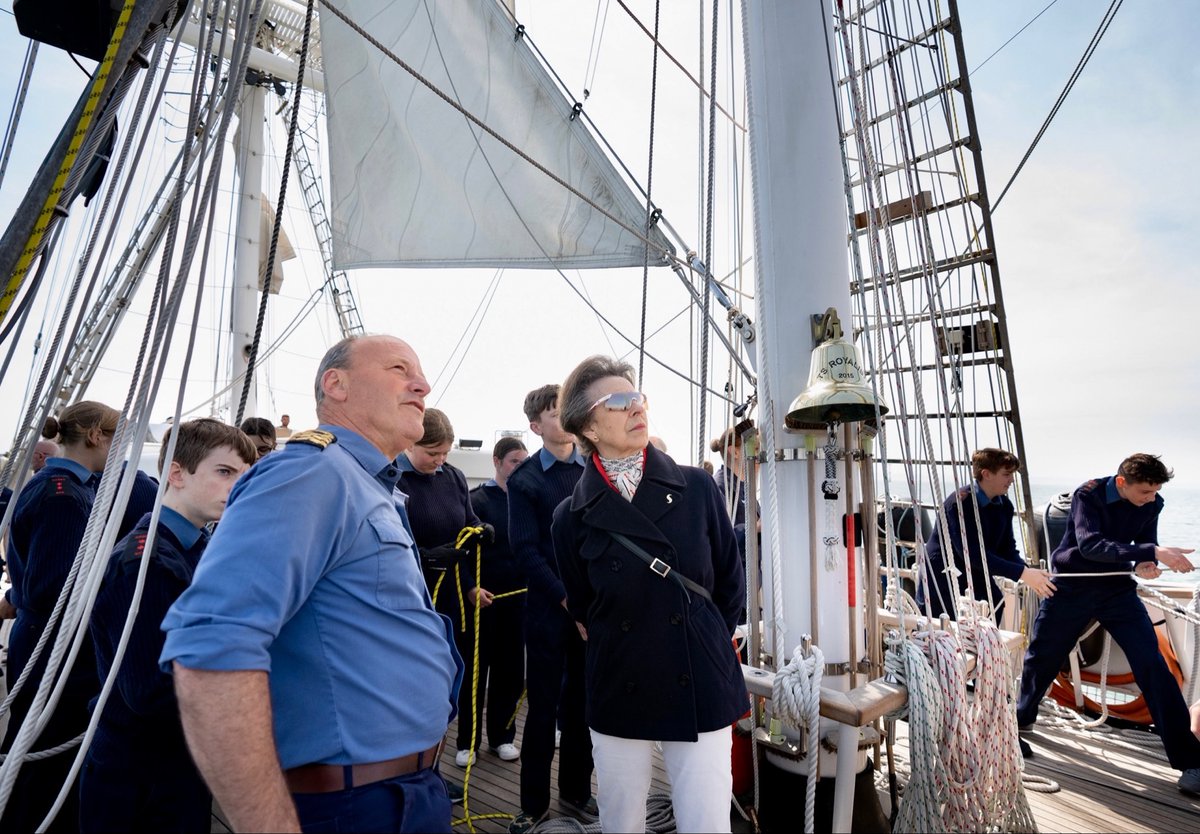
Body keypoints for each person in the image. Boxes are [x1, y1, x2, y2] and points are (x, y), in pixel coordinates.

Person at [160, 335, 463, 832]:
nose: (422, 385)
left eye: (420, 374)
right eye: (399, 369)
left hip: (404, 791)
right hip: (354, 807)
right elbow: (211, 645)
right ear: (336, 384)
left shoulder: (366, 485)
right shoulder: (311, 473)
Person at [553, 356, 747, 833]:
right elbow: (584, 604)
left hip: (697, 674)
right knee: (621, 819)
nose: (637, 407)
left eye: (638, 397)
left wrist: (702, 637)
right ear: (588, 427)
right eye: (619, 401)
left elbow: (729, 582)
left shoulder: (697, 487)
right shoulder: (569, 517)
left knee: (707, 820)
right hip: (620, 677)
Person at [80, 418, 255, 833]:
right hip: (140, 779)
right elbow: (150, 691)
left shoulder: (197, 549)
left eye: (245, 476)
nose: (239, 487)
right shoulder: (148, 564)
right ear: (176, 473)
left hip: (175, 764)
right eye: (225, 472)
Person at [1015, 453, 1200, 796]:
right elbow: (1090, 546)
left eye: (1155, 492)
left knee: (1152, 666)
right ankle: (1021, 719)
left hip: (1117, 591)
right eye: (1145, 491)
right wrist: (1153, 552)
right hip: (1071, 588)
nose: (1151, 499)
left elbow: (1143, 545)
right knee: (1043, 657)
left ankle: (1192, 761)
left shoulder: (1152, 503)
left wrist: (1146, 565)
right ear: (1122, 482)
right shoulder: (1088, 495)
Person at [1, 402, 123, 832]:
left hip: (41, 637)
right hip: (54, 644)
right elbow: (54, 587)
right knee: (46, 762)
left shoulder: (57, 486)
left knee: (37, 750)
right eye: (117, 438)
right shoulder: (64, 497)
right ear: (95, 436)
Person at [506, 384, 596, 833]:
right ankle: (533, 803)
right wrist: (567, 598)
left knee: (583, 704)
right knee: (542, 710)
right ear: (535, 425)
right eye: (554, 412)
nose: (564, 416)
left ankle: (577, 790)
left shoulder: (592, 470)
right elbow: (525, 551)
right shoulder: (525, 481)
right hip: (548, 613)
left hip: (588, 612)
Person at [396, 408, 490, 771]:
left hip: (455, 596)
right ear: (410, 445)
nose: (440, 461)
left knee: (462, 672)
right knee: (421, 682)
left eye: (445, 453)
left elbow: (468, 521)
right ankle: (416, 764)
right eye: (432, 453)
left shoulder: (453, 477)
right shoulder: (394, 481)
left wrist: (482, 529)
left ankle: (462, 744)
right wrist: (426, 556)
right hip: (415, 598)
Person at [916, 448, 1056, 622]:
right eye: (1006, 474)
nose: (1012, 480)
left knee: (995, 601)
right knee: (945, 621)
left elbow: (1007, 550)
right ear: (987, 474)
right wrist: (1022, 573)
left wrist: (1029, 573)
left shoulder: (1005, 506)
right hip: (943, 574)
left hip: (975, 571)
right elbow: (972, 554)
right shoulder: (960, 503)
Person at [465, 437, 530, 764]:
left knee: (511, 672)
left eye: (523, 462)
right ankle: (467, 742)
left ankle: (503, 737)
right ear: (497, 461)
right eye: (514, 461)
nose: (519, 467)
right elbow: (462, 553)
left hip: (518, 602)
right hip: (482, 603)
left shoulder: (527, 501)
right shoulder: (476, 501)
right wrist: (471, 588)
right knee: (475, 673)